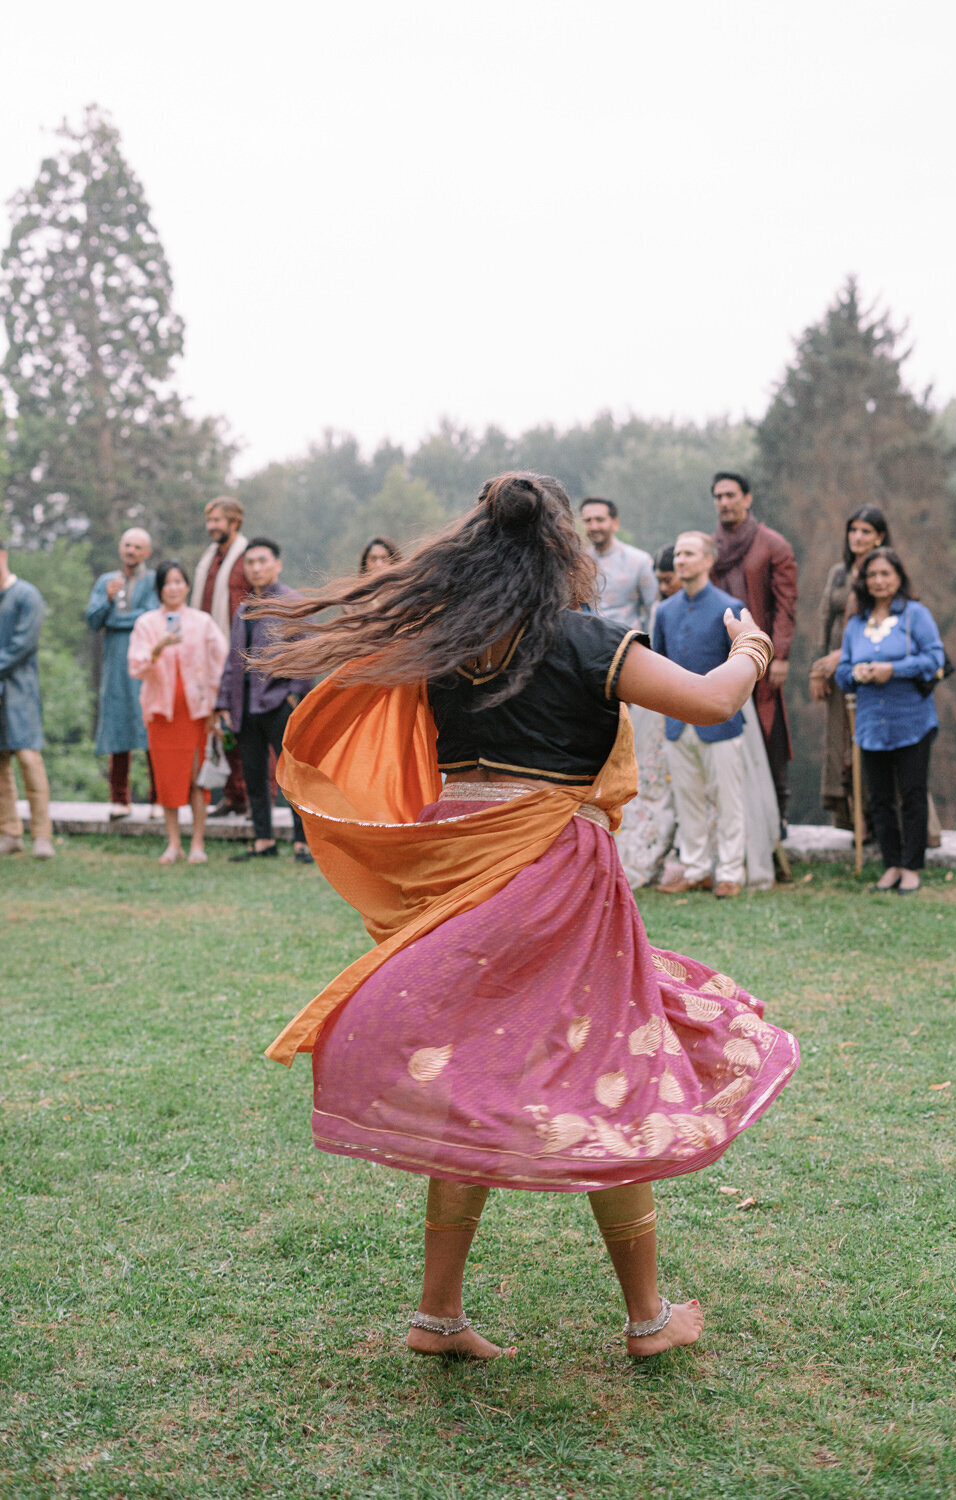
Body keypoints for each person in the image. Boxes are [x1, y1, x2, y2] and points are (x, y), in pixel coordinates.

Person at [253, 472, 799, 1361]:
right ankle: (648, 1319)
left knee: (469, 1073)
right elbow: (710, 701)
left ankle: (438, 1315)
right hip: (557, 880)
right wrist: (751, 648)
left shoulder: (439, 651)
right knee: (612, 1062)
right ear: (562, 552)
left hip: (461, 872)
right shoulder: (587, 642)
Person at [835, 548, 944, 894]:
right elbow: (841, 673)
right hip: (870, 725)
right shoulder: (855, 624)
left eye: (886, 574)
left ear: (898, 577)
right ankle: (891, 864)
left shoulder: (916, 615)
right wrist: (857, 672)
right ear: (863, 582)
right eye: (872, 575)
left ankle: (912, 866)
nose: (879, 581)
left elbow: (935, 659)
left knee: (912, 795)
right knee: (880, 799)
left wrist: (893, 670)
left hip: (912, 721)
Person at [652, 534, 747, 898]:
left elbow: (741, 667)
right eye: (677, 554)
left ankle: (729, 873)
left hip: (722, 724)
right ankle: (695, 869)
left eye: (689, 554)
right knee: (687, 798)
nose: (681, 560)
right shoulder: (665, 611)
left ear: (708, 560)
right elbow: (658, 665)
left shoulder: (730, 606)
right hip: (678, 723)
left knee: (728, 801)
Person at [215, 538, 314, 864]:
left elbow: (306, 651)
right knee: (254, 775)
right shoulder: (244, 608)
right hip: (245, 705)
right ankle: (263, 840)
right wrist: (224, 705)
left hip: (278, 702)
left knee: (292, 777)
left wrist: (293, 696)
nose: (255, 567)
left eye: (262, 561)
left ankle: (303, 843)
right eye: (250, 562)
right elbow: (232, 661)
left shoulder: (291, 602)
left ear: (277, 564)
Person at [710, 472, 797, 832]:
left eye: (731, 495)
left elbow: (786, 606)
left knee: (767, 735)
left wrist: (779, 656)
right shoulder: (708, 547)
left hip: (763, 661)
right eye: (718, 496)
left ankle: (774, 824)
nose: (724, 502)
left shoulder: (773, 545)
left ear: (748, 498)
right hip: (718, 657)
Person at [128, 561, 228, 865]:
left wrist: (218, 707)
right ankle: (173, 843)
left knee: (198, 779)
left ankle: (198, 842)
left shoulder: (203, 621)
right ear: (159, 589)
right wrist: (160, 647)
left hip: (197, 711)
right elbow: (136, 666)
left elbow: (222, 663)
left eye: (178, 581)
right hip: (162, 714)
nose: (173, 588)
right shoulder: (146, 623)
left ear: (187, 586)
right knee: (168, 780)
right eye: (167, 582)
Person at [810, 506, 890, 829]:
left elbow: (883, 621)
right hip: (836, 672)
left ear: (880, 537)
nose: (857, 537)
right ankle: (851, 821)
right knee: (838, 743)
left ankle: (880, 822)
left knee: (868, 742)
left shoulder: (883, 573)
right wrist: (819, 668)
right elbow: (823, 619)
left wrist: (843, 654)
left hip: (871, 671)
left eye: (866, 531)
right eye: (853, 530)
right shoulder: (839, 574)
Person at [614, 546, 681, 889]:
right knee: (652, 780)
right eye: (659, 581)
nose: (664, 586)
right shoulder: (660, 609)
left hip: (683, 695)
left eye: (668, 580)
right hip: (660, 701)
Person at [85, 527, 159, 817]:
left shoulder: (153, 580)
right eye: (127, 545)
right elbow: (92, 619)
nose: (132, 551)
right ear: (120, 548)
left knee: (149, 723)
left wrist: (115, 619)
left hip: (145, 661)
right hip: (115, 663)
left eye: (138, 547)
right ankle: (119, 799)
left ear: (147, 553)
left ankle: (158, 798)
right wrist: (107, 599)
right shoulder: (106, 581)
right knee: (117, 724)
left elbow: (151, 615)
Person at [191, 497, 250, 817]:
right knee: (221, 727)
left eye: (217, 520)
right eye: (209, 520)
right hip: (209, 654)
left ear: (234, 522)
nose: (211, 526)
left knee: (243, 728)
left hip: (239, 654)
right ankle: (233, 795)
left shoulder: (245, 559)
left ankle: (255, 798)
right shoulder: (210, 559)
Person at [0, 538, 54, 858]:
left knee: (29, 760)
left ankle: (42, 835)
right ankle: (9, 832)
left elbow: (23, 645)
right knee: (0, 765)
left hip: (20, 691)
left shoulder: (27, 595)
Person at [581, 497, 658, 630]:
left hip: (627, 643)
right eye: (588, 521)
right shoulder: (579, 562)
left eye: (600, 520)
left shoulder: (639, 560)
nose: (594, 527)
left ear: (615, 523)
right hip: (588, 643)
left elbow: (653, 609)